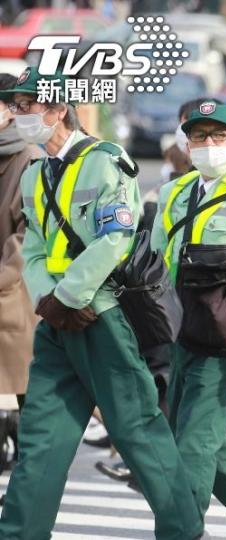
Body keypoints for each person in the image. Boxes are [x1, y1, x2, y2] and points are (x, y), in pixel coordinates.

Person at [0, 66, 205, 540]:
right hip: (56, 321)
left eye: (26, 106)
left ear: (56, 110)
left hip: (102, 314)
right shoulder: (36, 173)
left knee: (137, 429)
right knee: (41, 439)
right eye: (15, 106)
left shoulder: (106, 160)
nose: (18, 115)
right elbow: (33, 247)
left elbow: (116, 238)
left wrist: (69, 295)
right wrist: (49, 300)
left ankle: (184, 531)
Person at [151, 101, 226, 524]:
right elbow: (154, 261)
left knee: (195, 443)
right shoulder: (173, 193)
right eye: (198, 137)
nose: (207, 145)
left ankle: (180, 530)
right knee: (197, 437)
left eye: (218, 136)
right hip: (176, 333)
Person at [0, 73, 42, 414]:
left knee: (30, 391)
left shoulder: (28, 158)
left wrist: (3, 277)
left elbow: (29, 234)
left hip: (15, 295)